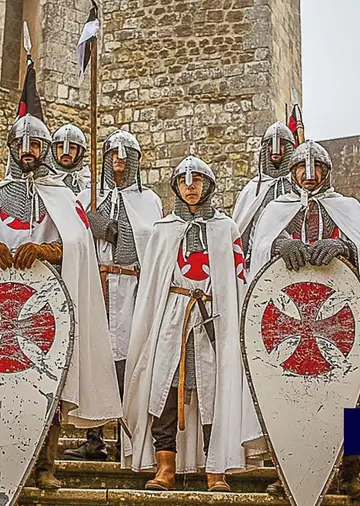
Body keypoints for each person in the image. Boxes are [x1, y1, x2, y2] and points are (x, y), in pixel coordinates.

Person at [0, 114, 122, 489]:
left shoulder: (63, 199)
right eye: (21, 144)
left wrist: (49, 250)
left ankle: (44, 466)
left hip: (44, 311)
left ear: (44, 150)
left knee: (46, 385)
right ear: (11, 150)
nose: (27, 150)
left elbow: (79, 247)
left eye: (34, 144)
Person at [249, 140, 360, 501]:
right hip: (286, 319)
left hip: (339, 317)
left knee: (347, 392)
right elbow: (259, 248)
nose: (309, 174)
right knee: (288, 394)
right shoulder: (277, 209)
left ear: (327, 171)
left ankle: (349, 473)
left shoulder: (347, 208)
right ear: (292, 172)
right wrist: (278, 246)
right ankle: (288, 473)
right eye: (301, 167)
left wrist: (345, 247)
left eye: (316, 166)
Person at [121, 156, 265, 493]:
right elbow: (152, 283)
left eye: (197, 180)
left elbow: (236, 279)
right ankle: (165, 467)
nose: (190, 186)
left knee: (216, 390)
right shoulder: (163, 229)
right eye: (184, 181)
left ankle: (217, 469)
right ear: (175, 187)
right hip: (172, 317)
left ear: (208, 185)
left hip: (214, 317)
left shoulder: (225, 228)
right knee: (165, 389)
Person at [64, 130, 163, 461]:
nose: (120, 160)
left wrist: (119, 233)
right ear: (105, 159)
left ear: (135, 160)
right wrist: (90, 223)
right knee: (96, 357)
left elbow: (154, 244)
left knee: (128, 359)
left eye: (126, 154)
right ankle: (94, 438)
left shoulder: (149, 201)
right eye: (113, 154)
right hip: (96, 284)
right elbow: (71, 238)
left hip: (133, 287)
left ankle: (127, 438)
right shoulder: (86, 197)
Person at [231, 122, 296, 265]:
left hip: (296, 258)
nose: (276, 149)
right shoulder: (253, 189)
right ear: (265, 149)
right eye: (271, 144)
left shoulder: (298, 187)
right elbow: (243, 232)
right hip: (258, 261)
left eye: (282, 144)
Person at [50, 123, 92, 194]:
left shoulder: (89, 183)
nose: (66, 153)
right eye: (61, 147)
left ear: (80, 152)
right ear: (54, 150)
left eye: (72, 147)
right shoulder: (45, 181)